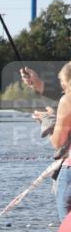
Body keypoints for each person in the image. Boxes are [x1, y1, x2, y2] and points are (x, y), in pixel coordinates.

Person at [50, 63, 71, 221]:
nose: (63, 89)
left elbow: (58, 142)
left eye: (63, 84)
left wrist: (49, 121)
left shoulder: (67, 100)